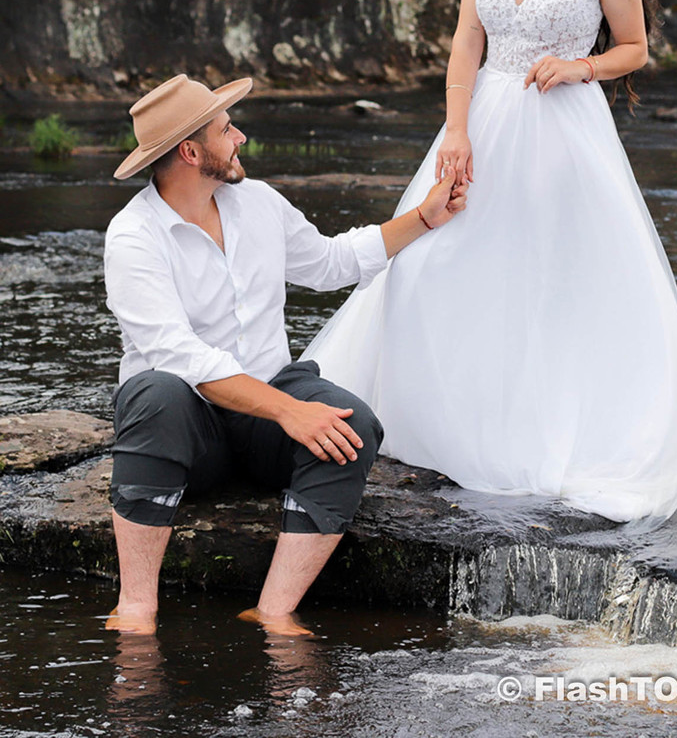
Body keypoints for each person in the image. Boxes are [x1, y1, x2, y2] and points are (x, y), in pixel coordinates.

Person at [305, 0, 677, 523]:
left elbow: (635, 48)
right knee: (428, 260)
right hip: (482, 118)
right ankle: (426, 420)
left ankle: (531, 432)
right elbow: (466, 37)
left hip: (561, 131)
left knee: (543, 280)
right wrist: (455, 129)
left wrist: (581, 66)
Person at [103, 73, 465, 636]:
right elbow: (181, 356)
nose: (241, 137)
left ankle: (274, 611)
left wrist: (423, 218)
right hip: (186, 429)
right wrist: (288, 411)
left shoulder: (260, 203)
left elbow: (330, 263)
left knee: (354, 426)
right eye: (227, 129)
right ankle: (136, 608)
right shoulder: (133, 236)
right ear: (191, 152)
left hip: (264, 414)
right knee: (153, 392)